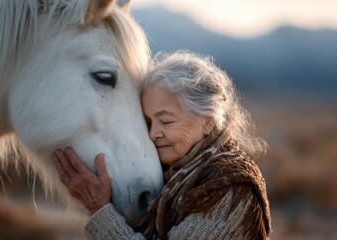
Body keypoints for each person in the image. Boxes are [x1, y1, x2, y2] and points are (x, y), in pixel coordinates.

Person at [52, 51, 271, 239]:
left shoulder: (230, 187)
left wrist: (99, 209)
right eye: (147, 122)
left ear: (207, 121)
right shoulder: (174, 177)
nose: (153, 133)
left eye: (166, 121)